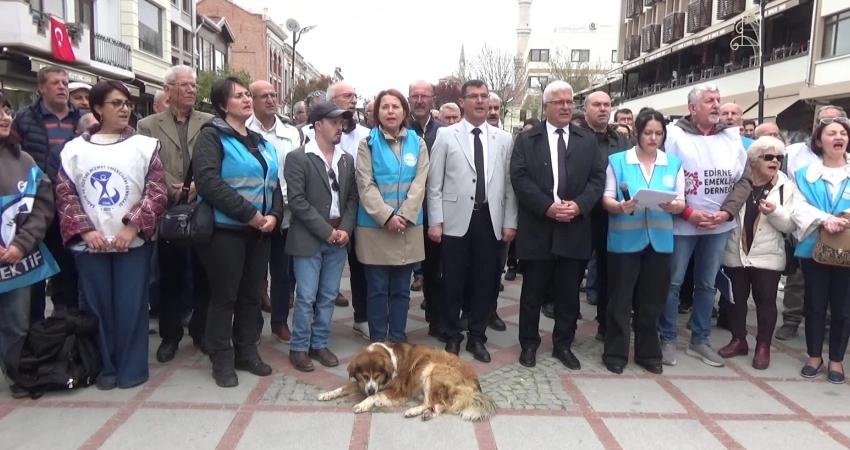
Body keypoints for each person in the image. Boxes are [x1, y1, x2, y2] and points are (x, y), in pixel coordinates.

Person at [56, 80, 167, 389]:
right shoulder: (74, 150)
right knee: (97, 307)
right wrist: (87, 230)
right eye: (116, 103)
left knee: (131, 305)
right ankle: (104, 367)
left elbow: (156, 191)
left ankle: (132, 369)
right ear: (97, 109)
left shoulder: (144, 146)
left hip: (133, 244)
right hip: (90, 245)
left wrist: (131, 227)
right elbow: (65, 195)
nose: (124, 108)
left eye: (127, 103)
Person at [193, 77, 283, 387]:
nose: (246, 100)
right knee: (224, 297)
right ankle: (221, 357)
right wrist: (252, 216)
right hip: (225, 231)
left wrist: (273, 215)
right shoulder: (211, 137)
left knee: (250, 297)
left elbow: (273, 184)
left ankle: (247, 351)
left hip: (259, 234)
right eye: (238, 96)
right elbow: (208, 182)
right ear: (222, 105)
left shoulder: (261, 142)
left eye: (247, 95)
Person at [510, 80, 605, 369]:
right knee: (532, 294)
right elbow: (519, 178)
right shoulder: (527, 140)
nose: (566, 106)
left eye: (569, 101)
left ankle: (563, 345)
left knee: (568, 295)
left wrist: (579, 205)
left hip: (574, 228)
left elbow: (597, 178)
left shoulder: (586, 139)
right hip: (539, 227)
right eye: (559, 102)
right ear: (546, 106)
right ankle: (529, 344)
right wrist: (547, 207)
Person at [427, 79, 517, 363]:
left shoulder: (503, 138)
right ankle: (453, 334)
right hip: (455, 220)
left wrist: (510, 221)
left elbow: (509, 185)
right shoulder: (446, 136)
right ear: (463, 101)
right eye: (474, 97)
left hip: (490, 219)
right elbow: (435, 183)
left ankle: (477, 337)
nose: (480, 101)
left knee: (485, 282)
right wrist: (435, 221)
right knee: (452, 281)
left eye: (484, 96)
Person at [659, 84, 748, 368]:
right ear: (692, 108)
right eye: (709, 100)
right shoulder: (674, 135)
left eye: (718, 100)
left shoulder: (731, 138)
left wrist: (726, 213)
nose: (716, 105)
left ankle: (700, 339)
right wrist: (687, 212)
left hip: (718, 225)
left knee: (707, 284)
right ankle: (668, 337)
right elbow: (663, 176)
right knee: (673, 282)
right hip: (683, 223)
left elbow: (744, 180)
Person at [137, 65, 214, 362]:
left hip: (201, 207)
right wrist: (171, 185)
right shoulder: (148, 125)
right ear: (168, 90)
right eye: (185, 85)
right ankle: (170, 336)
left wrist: (197, 184)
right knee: (171, 276)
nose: (192, 90)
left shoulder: (209, 122)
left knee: (203, 274)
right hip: (168, 211)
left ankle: (201, 331)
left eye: (193, 85)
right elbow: (147, 161)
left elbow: (214, 160)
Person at [601, 109, 685, 374]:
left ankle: (649, 353)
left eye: (658, 133)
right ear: (637, 132)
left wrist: (674, 206)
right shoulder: (618, 161)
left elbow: (681, 201)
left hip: (659, 241)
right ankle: (615, 352)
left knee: (652, 300)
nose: (653, 138)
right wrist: (620, 206)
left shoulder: (672, 163)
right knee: (620, 299)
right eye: (648, 132)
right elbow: (607, 198)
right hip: (625, 240)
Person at [285, 102, 358, 372]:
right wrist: (327, 232)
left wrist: (345, 230)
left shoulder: (346, 159)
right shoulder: (299, 157)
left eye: (342, 123)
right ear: (318, 125)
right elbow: (297, 201)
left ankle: (319, 343)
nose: (340, 127)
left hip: (338, 238)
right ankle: (299, 347)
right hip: (309, 237)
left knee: (327, 296)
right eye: (334, 122)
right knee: (306, 296)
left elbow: (352, 199)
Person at [355, 89, 429, 342]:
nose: (390, 111)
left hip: (407, 228)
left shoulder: (418, 143)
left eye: (395, 106)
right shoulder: (367, 144)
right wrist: (387, 216)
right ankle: (378, 341)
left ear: (404, 112)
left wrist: (405, 215)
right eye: (384, 107)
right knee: (376, 290)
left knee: (401, 290)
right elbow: (365, 184)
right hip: (376, 229)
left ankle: (397, 339)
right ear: (376, 113)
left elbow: (420, 182)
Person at [12, 66, 83, 322]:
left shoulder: (82, 119)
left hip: (72, 210)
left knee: (68, 275)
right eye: (56, 82)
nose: (63, 87)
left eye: (65, 82)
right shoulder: (24, 119)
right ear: (41, 88)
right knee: (35, 278)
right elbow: (12, 155)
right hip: (36, 210)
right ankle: (36, 334)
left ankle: (67, 335)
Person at [718, 136, 796, 370]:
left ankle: (763, 346)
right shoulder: (739, 183)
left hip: (768, 254)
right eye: (768, 157)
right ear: (753, 160)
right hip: (736, 251)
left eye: (779, 158)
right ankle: (738, 339)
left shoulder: (786, 187)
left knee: (766, 302)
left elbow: (790, 225)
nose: (775, 161)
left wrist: (775, 212)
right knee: (736, 300)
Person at [0, 93, 57, 398]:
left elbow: (42, 205)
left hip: (18, 259)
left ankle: (17, 372)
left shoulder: (25, 161)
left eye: (7, 110)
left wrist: (22, 244)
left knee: (17, 323)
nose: (5, 117)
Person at [777, 106, 847, 341]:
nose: (835, 132)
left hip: (844, 236)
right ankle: (792, 320)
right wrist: (822, 219)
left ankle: (830, 330)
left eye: (839, 124)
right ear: (816, 127)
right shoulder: (796, 153)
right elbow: (790, 191)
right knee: (799, 280)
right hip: (809, 231)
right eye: (826, 123)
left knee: (838, 295)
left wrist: (842, 217)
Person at [791, 117, 850, 384]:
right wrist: (824, 219)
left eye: (843, 133)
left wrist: (845, 215)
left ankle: (836, 359)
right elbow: (797, 206)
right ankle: (814, 355)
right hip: (816, 245)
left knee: (844, 307)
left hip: (847, 247)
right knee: (814, 304)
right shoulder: (804, 174)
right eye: (831, 133)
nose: (839, 137)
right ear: (819, 141)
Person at [247, 80, 302, 343]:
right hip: (254, 213)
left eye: (273, 95)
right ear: (253, 100)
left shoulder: (291, 133)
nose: (270, 100)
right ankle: (253, 323)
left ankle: (279, 322)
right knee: (254, 273)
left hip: (287, 213)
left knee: (282, 273)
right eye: (264, 96)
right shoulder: (243, 129)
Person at [581, 91, 631, 342]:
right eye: (597, 105)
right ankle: (564, 322)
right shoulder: (576, 136)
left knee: (609, 272)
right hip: (581, 214)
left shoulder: (621, 141)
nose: (603, 109)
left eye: (606, 105)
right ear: (586, 108)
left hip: (611, 215)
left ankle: (605, 323)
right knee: (573, 269)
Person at [323, 82, 371, 336]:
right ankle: (317, 326)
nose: (353, 99)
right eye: (347, 96)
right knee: (319, 272)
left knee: (360, 266)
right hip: (325, 212)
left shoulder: (366, 134)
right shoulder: (313, 133)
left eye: (355, 95)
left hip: (358, 210)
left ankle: (361, 316)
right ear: (331, 101)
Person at [407, 80, 446, 338]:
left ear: (433, 99)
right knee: (400, 271)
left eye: (425, 96)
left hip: (434, 213)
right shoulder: (400, 130)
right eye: (415, 96)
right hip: (404, 212)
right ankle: (392, 327)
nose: (420, 100)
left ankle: (436, 319)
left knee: (435, 271)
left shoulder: (445, 132)